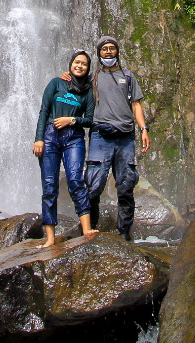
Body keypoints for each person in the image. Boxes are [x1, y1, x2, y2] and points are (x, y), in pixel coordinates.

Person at [84, 36, 149, 241]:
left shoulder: (128, 77)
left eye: (112, 48)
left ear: (117, 52)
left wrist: (144, 129)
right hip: (100, 135)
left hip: (125, 137)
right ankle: (90, 229)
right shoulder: (92, 78)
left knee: (126, 185)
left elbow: (136, 105)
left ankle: (124, 233)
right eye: (105, 49)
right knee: (94, 185)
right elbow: (75, 88)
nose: (109, 52)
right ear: (99, 53)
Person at [33, 50, 99, 248]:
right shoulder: (56, 83)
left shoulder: (88, 91)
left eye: (84, 64)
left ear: (88, 69)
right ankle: (50, 238)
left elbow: (90, 119)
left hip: (74, 138)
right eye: (77, 62)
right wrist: (39, 139)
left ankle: (86, 229)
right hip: (50, 137)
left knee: (75, 180)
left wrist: (72, 119)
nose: (79, 66)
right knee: (50, 184)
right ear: (71, 64)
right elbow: (44, 111)